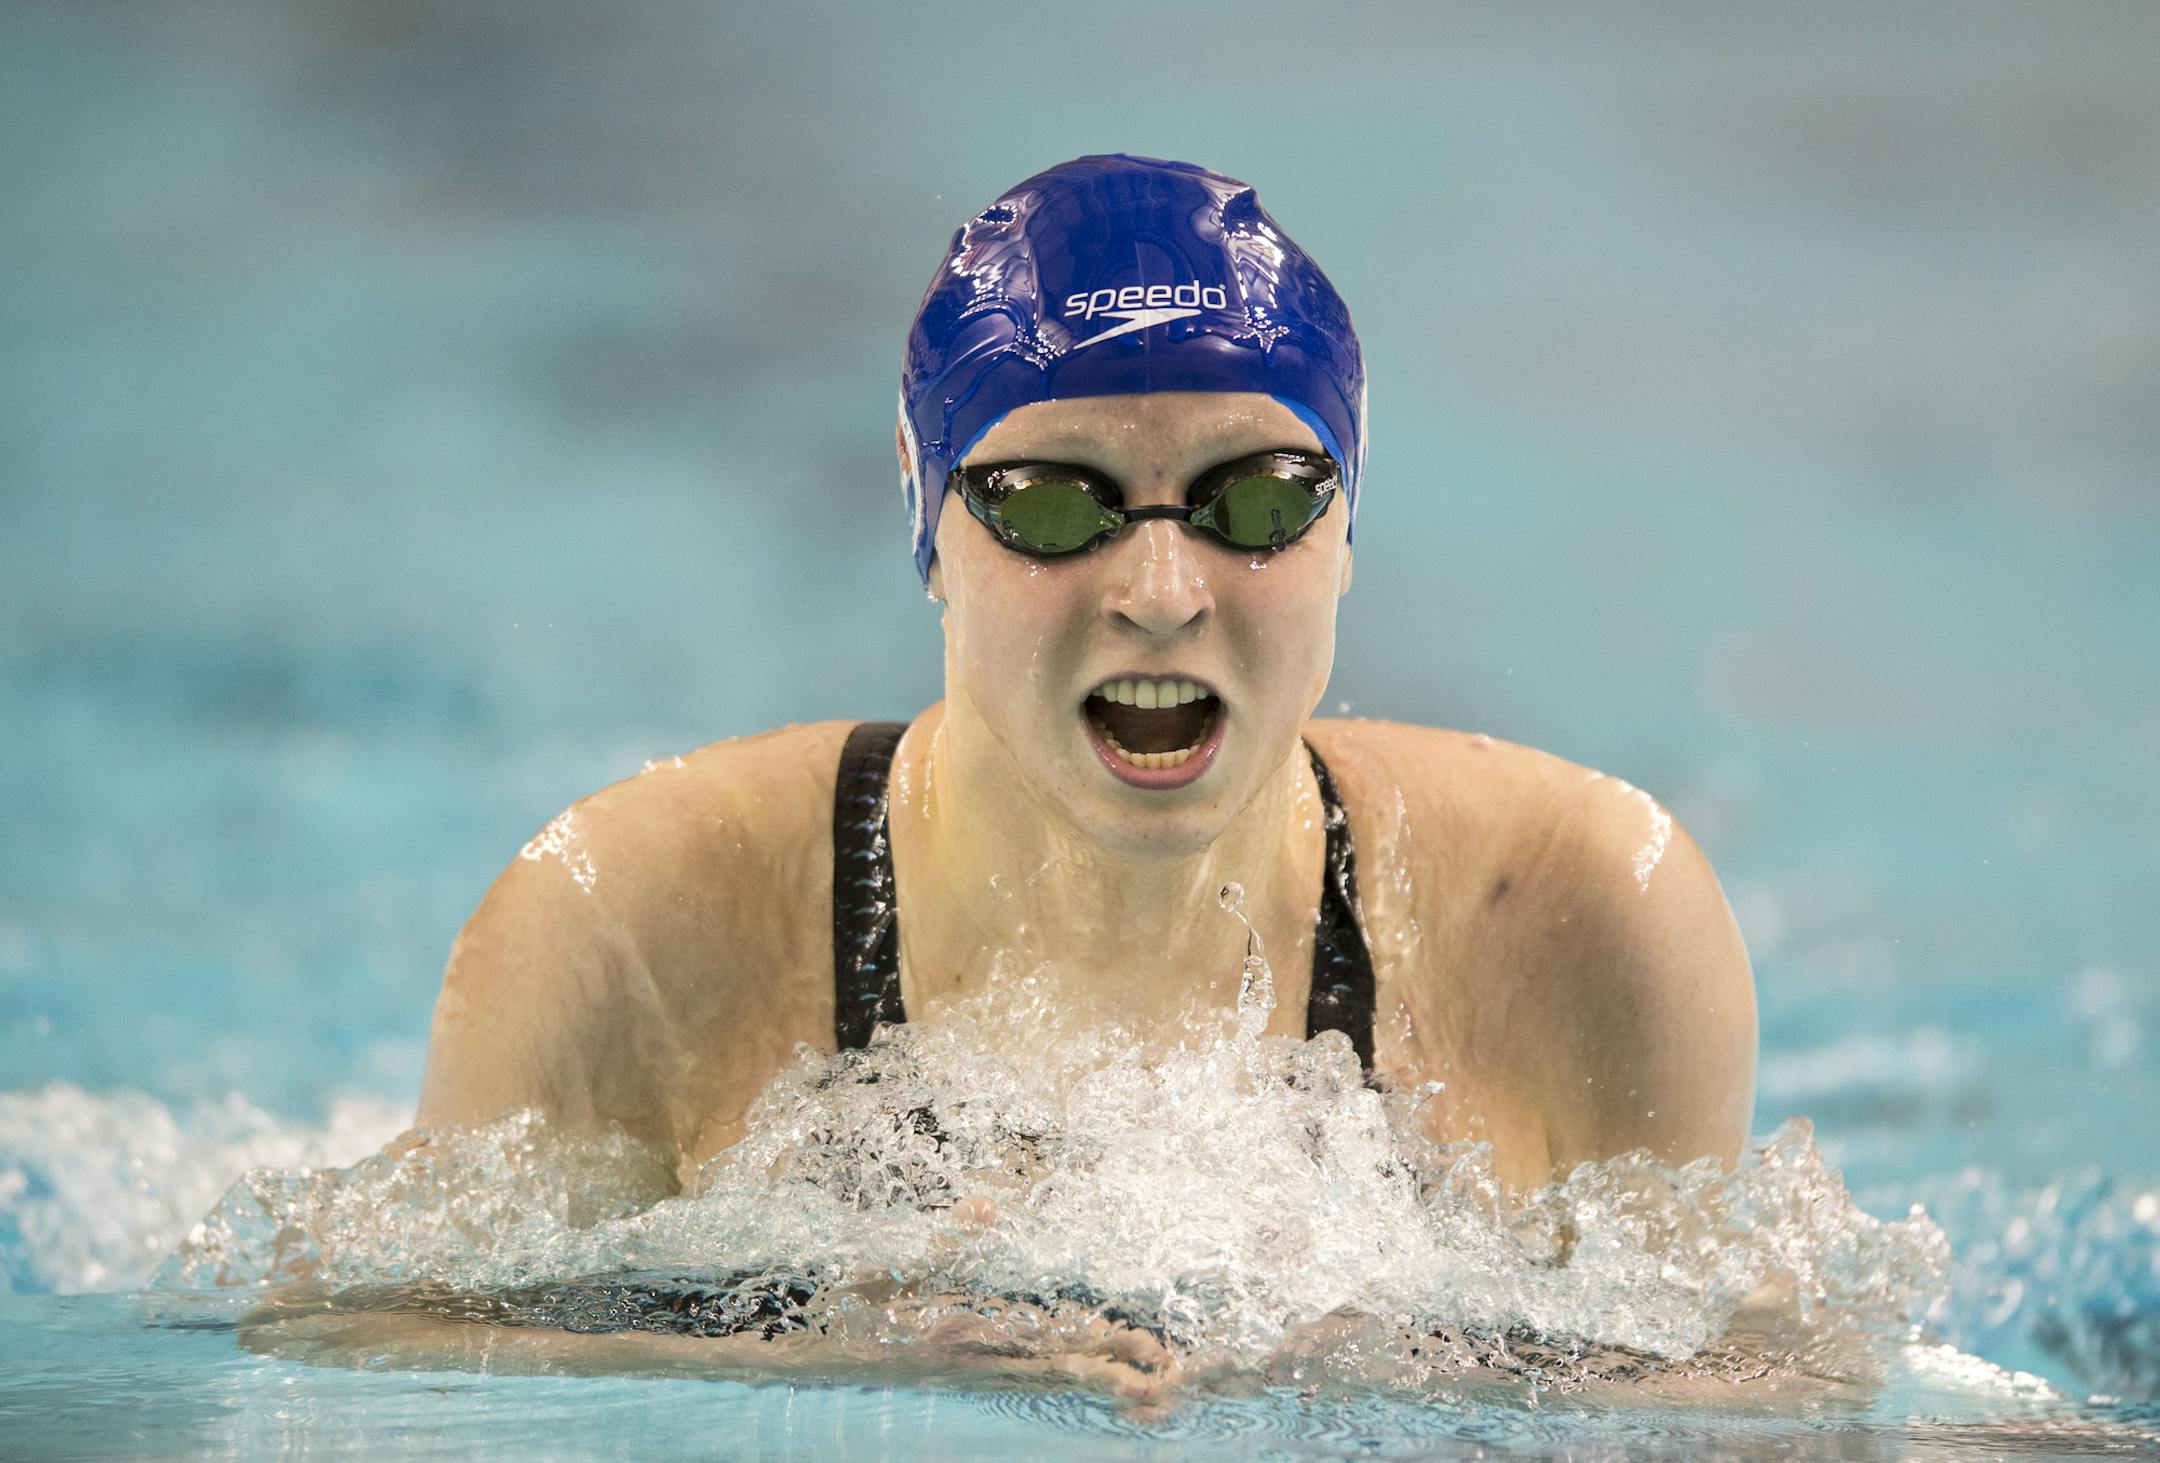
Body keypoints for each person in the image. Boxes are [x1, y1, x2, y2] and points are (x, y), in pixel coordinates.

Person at [416, 153, 1755, 1198]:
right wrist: (839, 1336)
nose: (1164, 595)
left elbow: (1759, 1409)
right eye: (1058, 505)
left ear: (1350, 527)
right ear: (925, 519)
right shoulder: (623, 939)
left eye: (1257, 500)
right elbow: (385, 1369)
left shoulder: (1594, 925)